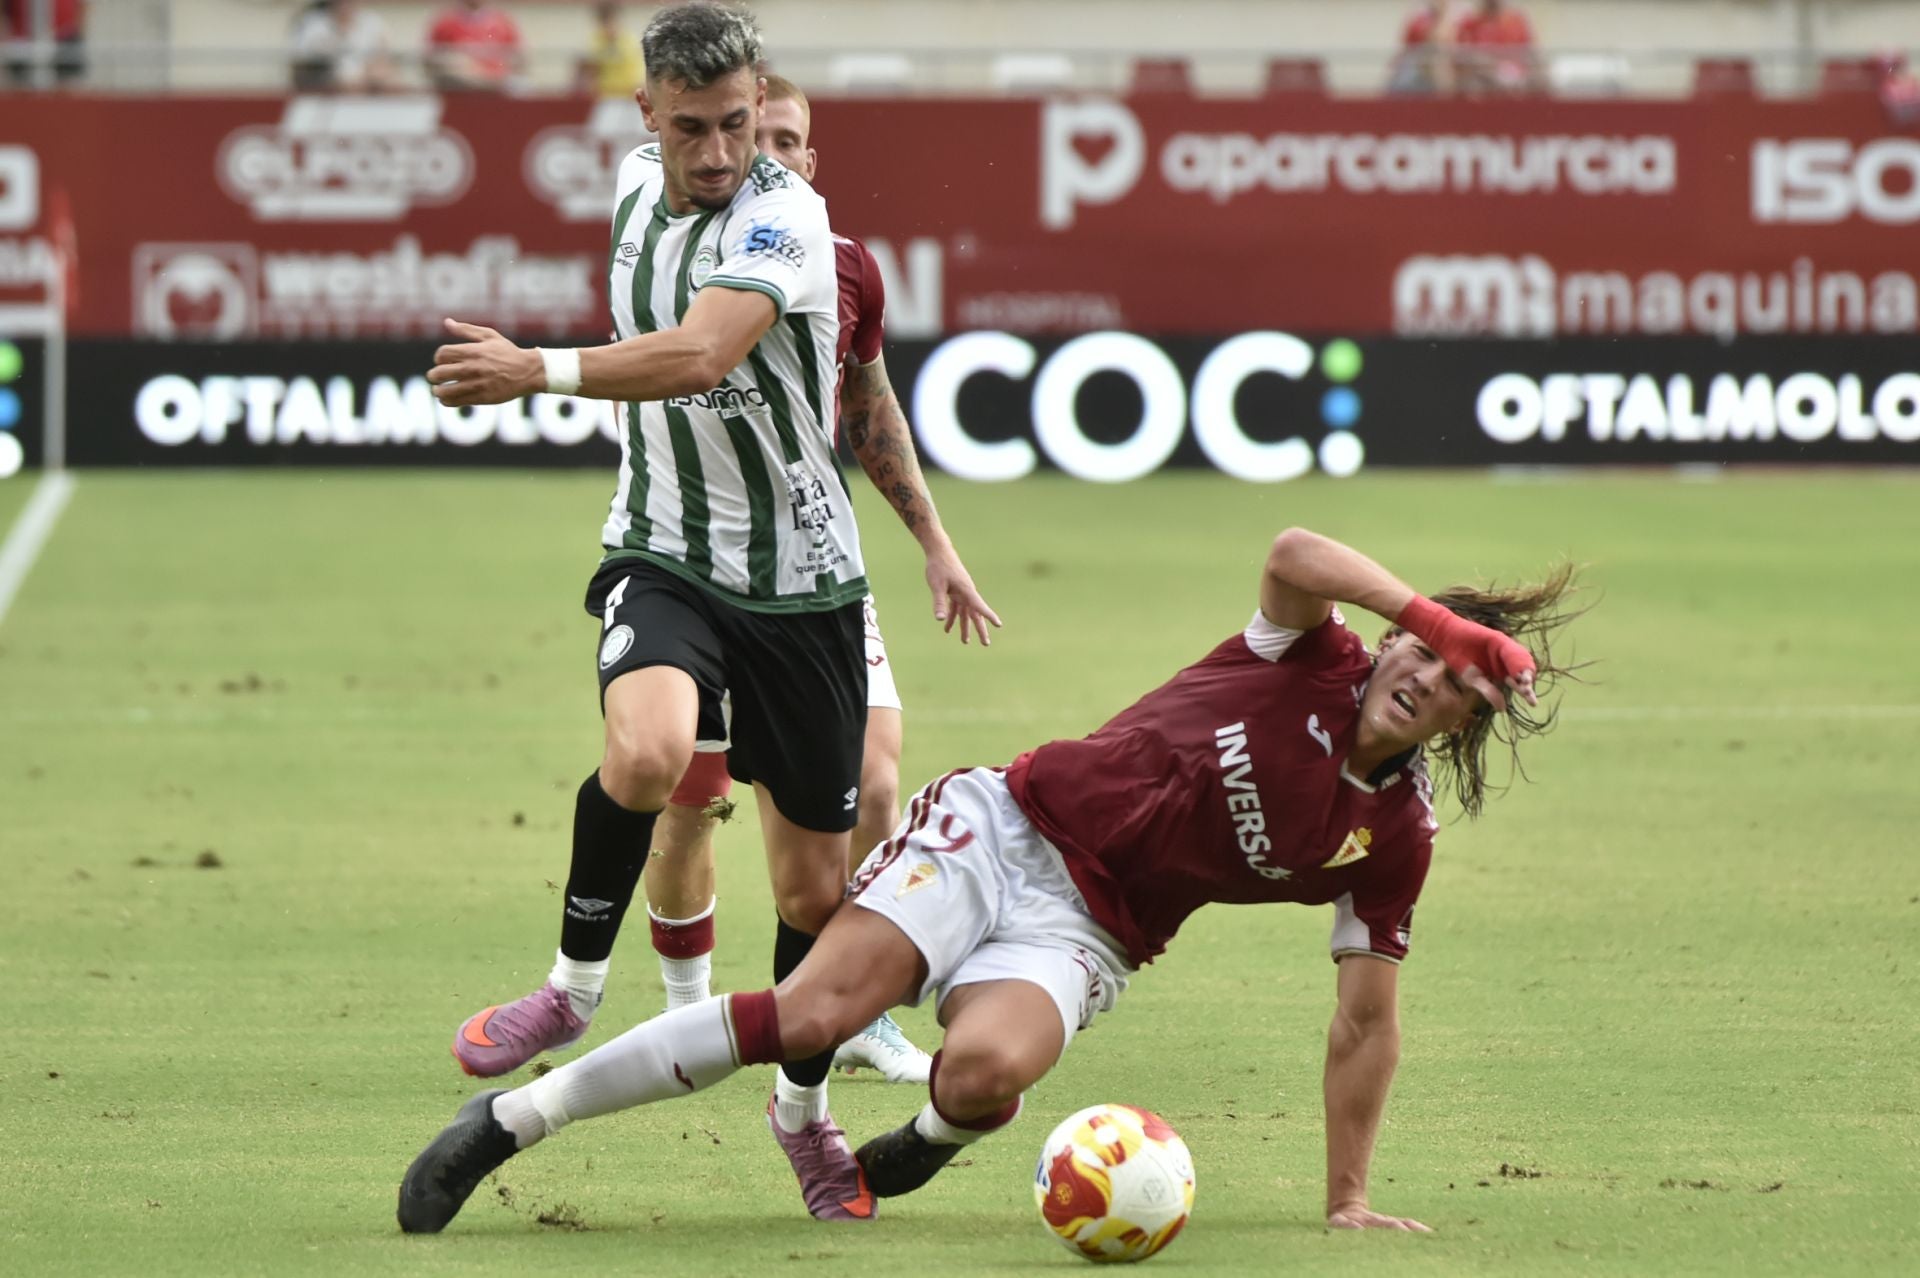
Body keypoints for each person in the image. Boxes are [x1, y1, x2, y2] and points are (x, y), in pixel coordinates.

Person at [398, 527, 1583, 1234]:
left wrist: (1346, 1199)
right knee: (813, 1013)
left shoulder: (1394, 836)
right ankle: (510, 1123)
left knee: (985, 1074)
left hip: (1092, 935)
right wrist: (1435, 613)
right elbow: (1292, 554)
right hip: (1004, 825)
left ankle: (925, 1138)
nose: (1426, 678)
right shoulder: (1308, 653)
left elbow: (1365, 1021)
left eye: (1456, 684)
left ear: (1465, 723)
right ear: (1395, 637)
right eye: (1423, 650)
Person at [423, 0, 996, 1223]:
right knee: (650, 754)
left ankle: (801, 1114)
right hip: (665, 551)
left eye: (739, 123)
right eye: (692, 128)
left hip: (803, 589)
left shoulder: (788, 219)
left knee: (811, 901)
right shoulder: (636, 185)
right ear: (646, 116)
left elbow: (696, 355)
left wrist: (533, 369)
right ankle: (573, 989)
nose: (722, 151)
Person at [639, 72, 972, 1087]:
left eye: (787, 141)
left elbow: (868, 407)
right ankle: (685, 1015)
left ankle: (851, 1010)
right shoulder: (679, 252)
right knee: (692, 800)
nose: (767, 156)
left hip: (819, 569)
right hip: (703, 566)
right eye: (759, 137)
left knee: (878, 783)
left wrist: (936, 544)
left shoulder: (845, 265)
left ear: (809, 160)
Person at [290, 0, 397, 94]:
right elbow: (300, 69)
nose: (346, 3)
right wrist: (338, 83)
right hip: (322, 97)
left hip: (365, 97)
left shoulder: (373, 24)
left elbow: (386, 66)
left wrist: (367, 79)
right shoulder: (312, 25)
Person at [425, 0, 524, 93]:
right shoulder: (446, 22)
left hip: (496, 84)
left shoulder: (502, 21)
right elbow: (430, 59)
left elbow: (518, 57)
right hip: (460, 86)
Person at [1454, 0, 1543, 96]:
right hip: (1480, 77)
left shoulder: (1516, 21)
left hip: (1514, 78)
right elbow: (1460, 58)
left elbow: (1530, 55)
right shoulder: (1469, 22)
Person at [2, 0, 84, 86]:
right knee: (21, 83)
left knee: (67, 80)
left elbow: (82, 7)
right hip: (22, 42)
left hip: (65, 38)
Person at [575, 1, 644, 100]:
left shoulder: (629, 42)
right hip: (606, 96)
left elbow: (637, 73)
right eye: (604, 22)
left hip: (628, 96)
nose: (609, 27)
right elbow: (589, 70)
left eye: (611, 21)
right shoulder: (595, 42)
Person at [1387, 1, 1457, 96]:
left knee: (1439, 64)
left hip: (1440, 70)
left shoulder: (1454, 21)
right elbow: (1408, 48)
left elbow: (1445, 45)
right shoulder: (1418, 20)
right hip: (1416, 65)